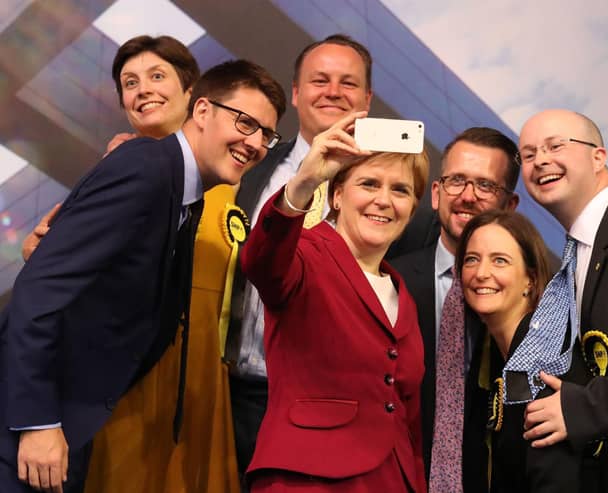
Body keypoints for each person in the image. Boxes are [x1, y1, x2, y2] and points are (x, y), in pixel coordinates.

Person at [0, 58, 286, 493]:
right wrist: (37, 421)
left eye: (267, 134)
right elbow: (40, 291)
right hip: (28, 428)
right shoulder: (147, 167)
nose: (256, 144)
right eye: (246, 123)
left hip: (68, 425)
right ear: (203, 111)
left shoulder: (186, 196)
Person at [241, 111, 429, 492]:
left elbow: (406, 416)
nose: (384, 200)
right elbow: (260, 261)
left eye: (401, 190)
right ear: (337, 195)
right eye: (369, 183)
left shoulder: (401, 291)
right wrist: (304, 183)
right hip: (309, 479)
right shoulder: (305, 254)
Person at [226, 33, 373, 483]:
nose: (333, 91)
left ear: (366, 98)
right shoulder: (250, 165)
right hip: (229, 394)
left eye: (348, 83)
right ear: (296, 93)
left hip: (326, 407)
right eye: (319, 80)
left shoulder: (384, 184)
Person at [391, 127, 520, 491]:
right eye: (456, 181)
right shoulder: (390, 281)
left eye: (485, 186)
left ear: (509, 205)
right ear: (436, 193)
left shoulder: (534, 297)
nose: (467, 196)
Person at [456, 209, 589, 492]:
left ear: (530, 279)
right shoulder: (492, 350)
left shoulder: (543, 354)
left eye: (500, 261)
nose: (481, 273)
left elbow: (557, 478)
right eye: (471, 260)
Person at [518, 109, 608, 491]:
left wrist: (584, 409)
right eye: (527, 154)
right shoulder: (574, 256)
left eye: (555, 145)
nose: (540, 160)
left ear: (598, 157)